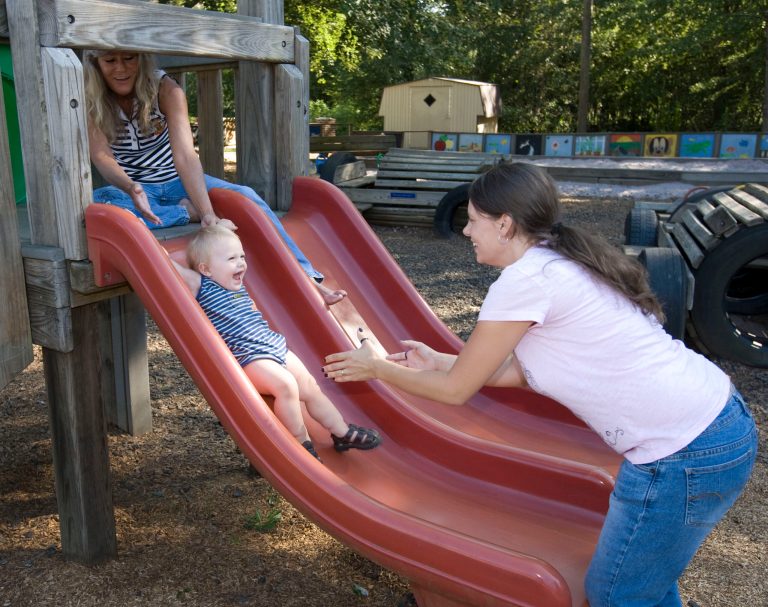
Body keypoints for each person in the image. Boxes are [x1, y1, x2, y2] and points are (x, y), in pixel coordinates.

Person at [323, 162, 758, 606]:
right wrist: (441, 360)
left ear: (505, 224)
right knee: (644, 581)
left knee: (616, 592)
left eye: (473, 220)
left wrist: (377, 368)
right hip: (710, 425)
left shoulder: (526, 281)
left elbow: (456, 392)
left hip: (682, 451)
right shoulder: (558, 262)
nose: (468, 230)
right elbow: (523, 371)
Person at [83, 49, 345, 306]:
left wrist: (208, 213)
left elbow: (185, 156)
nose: (121, 68)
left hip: (176, 180)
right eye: (110, 61)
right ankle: (184, 213)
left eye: (129, 58)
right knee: (101, 203)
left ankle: (306, 277)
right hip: (136, 189)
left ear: (142, 58)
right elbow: (102, 157)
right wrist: (131, 187)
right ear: (96, 63)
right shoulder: (91, 98)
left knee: (247, 196)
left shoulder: (165, 89)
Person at [172, 225, 381, 462]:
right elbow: (165, 264)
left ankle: (341, 432)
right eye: (231, 258)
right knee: (286, 386)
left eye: (242, 256)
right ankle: (300, 443)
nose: (241, 263)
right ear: (205, 269)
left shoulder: (239, 288)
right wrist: (138, 226)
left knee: (310, 386)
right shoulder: (202, 285)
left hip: (274, 345)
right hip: (248, 356)